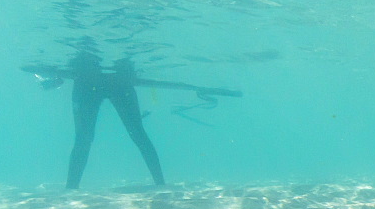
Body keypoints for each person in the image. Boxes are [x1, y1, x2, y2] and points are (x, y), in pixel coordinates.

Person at [22, 51, 241, 189]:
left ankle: (159, 184)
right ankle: (72, 188)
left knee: (118, 135)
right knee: (103, 137)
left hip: (101, 81)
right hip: (110, 81)